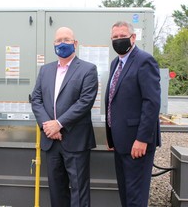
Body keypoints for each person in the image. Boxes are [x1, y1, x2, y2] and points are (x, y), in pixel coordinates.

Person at [31, 27, 98, 207]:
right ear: (53, 44)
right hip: (51, 141)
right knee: (56, 190)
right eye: (58, 40)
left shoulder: (88, 69)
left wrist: (59, 124)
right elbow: (36, 99)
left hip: (75, 140)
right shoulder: (45, 70)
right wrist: (48, 126)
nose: (62, 43)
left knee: (79, 191)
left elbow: (85, 102)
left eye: (67, 39)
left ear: (75, 43)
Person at [105, 21, 161, 207]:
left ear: (133, 37)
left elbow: (151, 103)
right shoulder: (116, 63)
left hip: (138, 143)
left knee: (135, 197)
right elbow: (114, 100)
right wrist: (112, 137)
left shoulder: (144, 60)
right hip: (121, 143)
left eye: (122, 36)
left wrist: (142, 139)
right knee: (126, 194)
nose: (118, 40)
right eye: (115, 37)